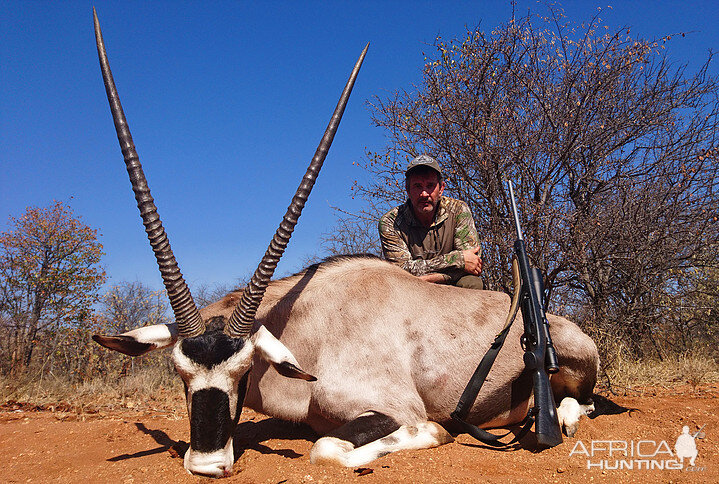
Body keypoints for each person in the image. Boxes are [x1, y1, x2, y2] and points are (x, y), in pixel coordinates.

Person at [378, 154, 484, 289]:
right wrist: (457, 259)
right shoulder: (390, 222)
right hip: (412, 288)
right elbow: (402, 271)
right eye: (417, 186)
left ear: (441, 189)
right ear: (408, 190)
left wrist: (432, 278)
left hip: (452, 284)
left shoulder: (458, 210)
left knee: (472, 283)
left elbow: (473, 263)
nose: (424, 194)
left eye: (430, 186)